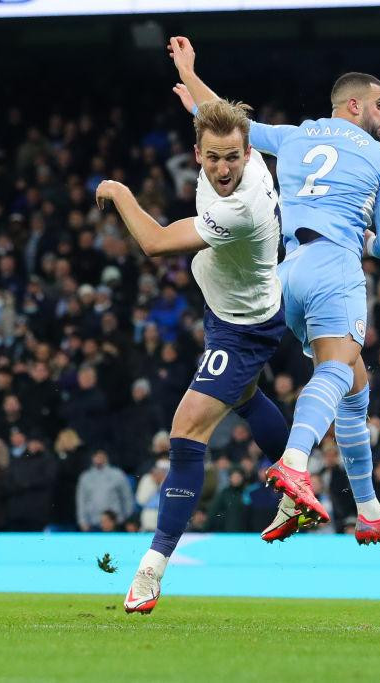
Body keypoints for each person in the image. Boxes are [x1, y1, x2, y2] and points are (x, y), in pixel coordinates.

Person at [168, 36, 380, 547]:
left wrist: (190, 74)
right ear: (354, 104)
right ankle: (296, 465)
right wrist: (366, 234)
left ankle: (369, 512)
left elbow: (223, 120)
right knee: (337, 369)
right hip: (334, 267)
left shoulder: (296, 135)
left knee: (356, 385)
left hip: (286, 272)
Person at [98, 93, 294, 613]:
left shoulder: (239, 205)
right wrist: (189, 79)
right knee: (248, 397)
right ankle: (294, 479)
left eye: (233, 157)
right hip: (233, 305)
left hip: (242, 327)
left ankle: (152, 569)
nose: (224, 167)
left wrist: (118, 191)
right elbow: (219, 122)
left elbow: (157, 243)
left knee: (186, 431)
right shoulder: (230, 145)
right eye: (213, 157)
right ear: (198, 153)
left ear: (250, 155)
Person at [76, 450, 135, 533]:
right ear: (92, 458)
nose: (98, 458)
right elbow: (81, 500)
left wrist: (125, 518)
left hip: (115, 523)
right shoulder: (85, 477)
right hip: (93, 523)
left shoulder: (117, 474)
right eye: (96, 456)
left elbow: (127, 497)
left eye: (101, 455)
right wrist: (82, 521)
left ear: (106, 457)